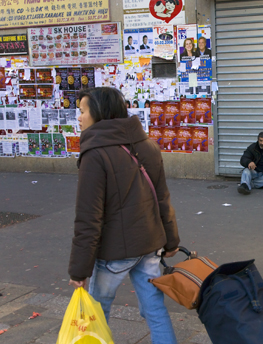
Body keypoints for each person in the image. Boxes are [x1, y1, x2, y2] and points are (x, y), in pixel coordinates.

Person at [68, 87, 180, 344]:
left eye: (83, 111)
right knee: (154, 308)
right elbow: (162, 198)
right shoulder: (148, 145)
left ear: (98, 113)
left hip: (115, 252)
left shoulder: (95, 154)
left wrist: (79, 269)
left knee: (97, 309)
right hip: (150, 243)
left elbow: (89, 217)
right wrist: (171, 240)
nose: (79, 117)